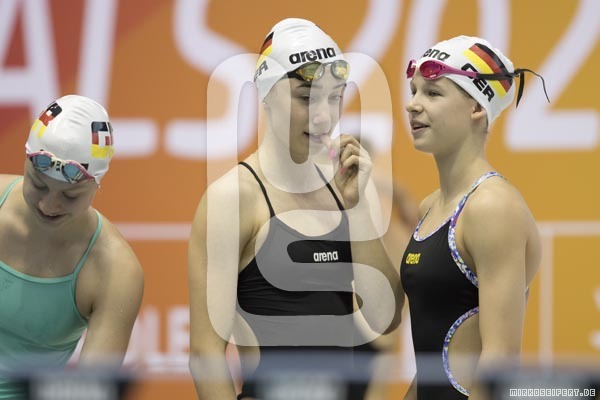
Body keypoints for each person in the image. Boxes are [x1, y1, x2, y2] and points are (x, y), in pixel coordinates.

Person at [188, 18, 402, 400]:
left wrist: (357, 210)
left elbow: (385, 318)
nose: (324, 116)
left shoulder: (345, 187)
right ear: (267, 95)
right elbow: (206, 354)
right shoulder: (233, 198)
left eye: (334, 97)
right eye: (306, 98)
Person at [400, 35, 548, 399]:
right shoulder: (430, 207)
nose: (412, 104)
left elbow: (500, 361)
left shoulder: (492, 207)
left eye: (432, 93)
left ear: (477, 108)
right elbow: (432, 361)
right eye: (414, 91)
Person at [0, 95, 144, 398]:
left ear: (96, 185)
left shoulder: (114, 269)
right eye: (38, 185)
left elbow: (89, 392)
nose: (48, 205)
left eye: (70, 196)